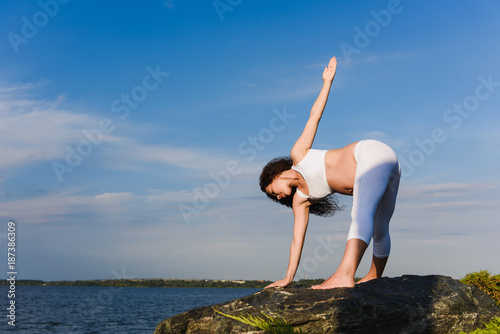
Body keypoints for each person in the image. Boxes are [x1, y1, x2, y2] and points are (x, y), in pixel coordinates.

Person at [259, 56, 401, 289]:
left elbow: (314, 116)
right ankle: (374, 278)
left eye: (272, 192)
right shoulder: (301, 201)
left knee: (361, 212)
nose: (277, 197)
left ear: (275, 176)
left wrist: (327, 82)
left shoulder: (299, 155)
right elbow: (297, 240)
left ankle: (345, 275)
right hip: (390, 164)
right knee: (380, 226)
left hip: (370, 153)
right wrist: (288, 278)